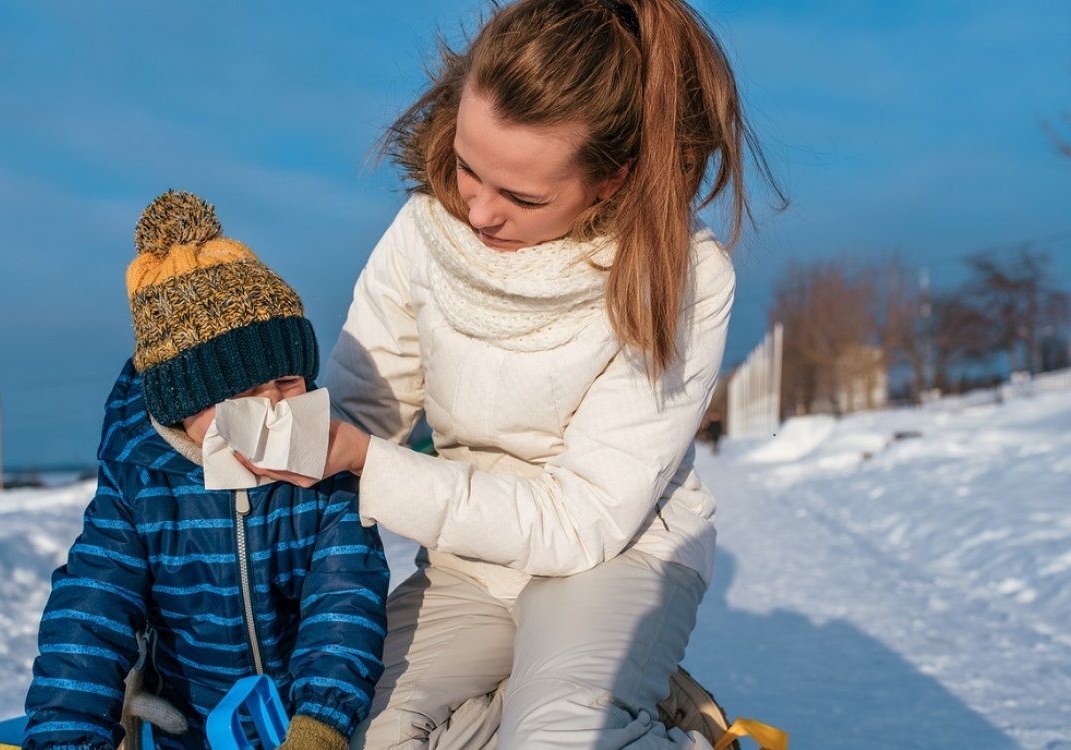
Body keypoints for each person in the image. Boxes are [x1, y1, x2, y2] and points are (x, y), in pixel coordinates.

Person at [260, 1, 781, 747]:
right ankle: (589, 701)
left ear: (612, 180)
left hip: (613, 551)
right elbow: (362, 407)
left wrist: (367, 462)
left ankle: (616, 712)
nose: (478, 212)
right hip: (471, 557)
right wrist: (259, 437)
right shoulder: (424, 228)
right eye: (469, 168)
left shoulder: (681, 275)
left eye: (522, 196)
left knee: (557, 736)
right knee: (357, 729)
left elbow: (582, 521)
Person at [22, 191, 390, 750]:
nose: (273, 407)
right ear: (181, 403)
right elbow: (90, 612)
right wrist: (65, 734)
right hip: (189, 728)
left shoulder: (323, 470)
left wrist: (321, 721)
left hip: (306, 722)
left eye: (289, 383)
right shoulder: (140, 485)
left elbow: (344, 599)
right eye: (244, 391)